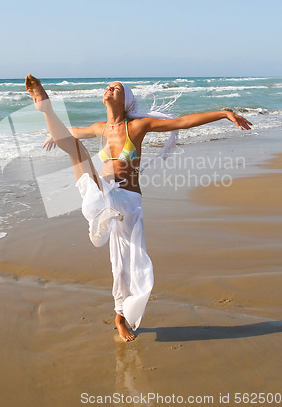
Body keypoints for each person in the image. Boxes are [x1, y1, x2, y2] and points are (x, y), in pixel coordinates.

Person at [25, 74, 252, 342]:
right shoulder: (100, 128)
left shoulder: (137, 127)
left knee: (123, 266)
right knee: (75, 148)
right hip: (104, 193)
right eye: (109, 86)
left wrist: (224, 113)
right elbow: (71, 135)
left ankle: (120, 316)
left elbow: (181, 122)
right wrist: (56, 136)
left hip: (127, 202)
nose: (110, 88)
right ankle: (45, 106)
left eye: (118, 88)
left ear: (126, 101)